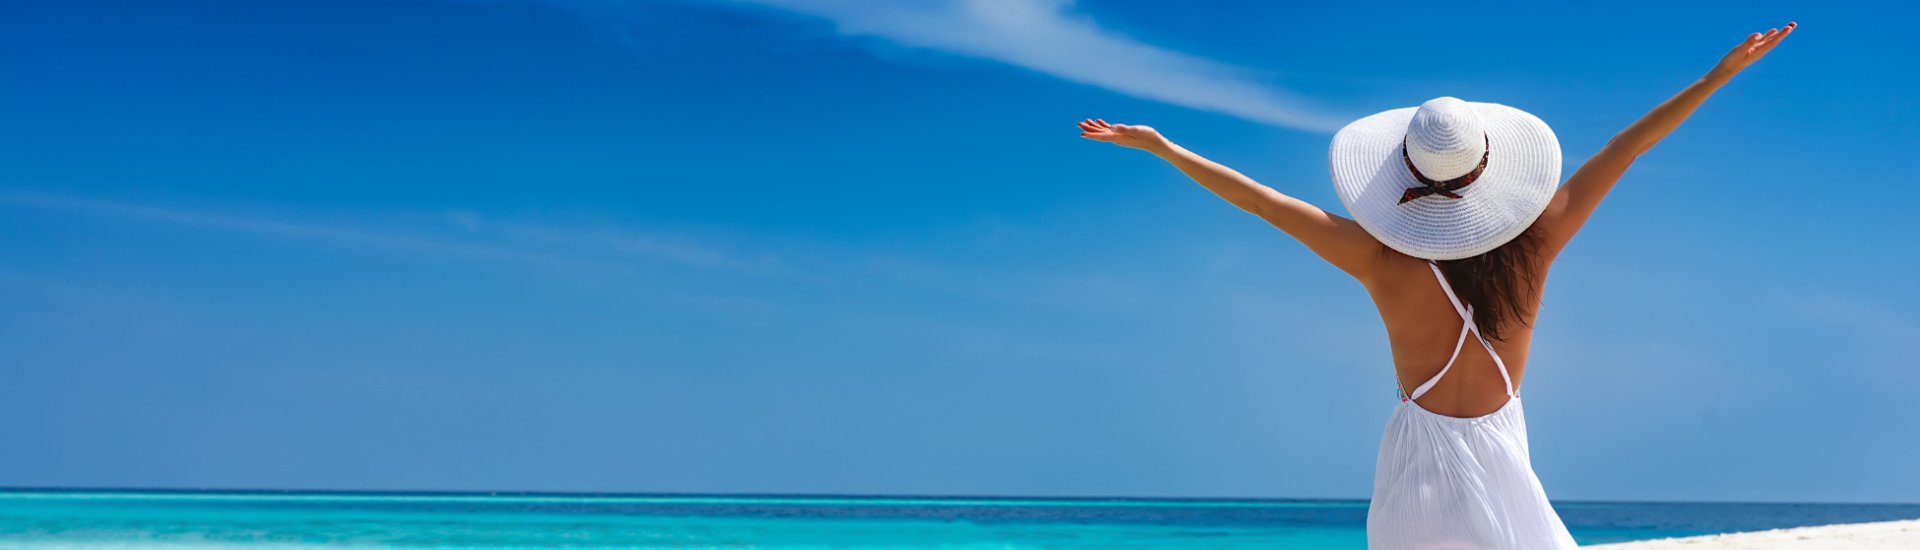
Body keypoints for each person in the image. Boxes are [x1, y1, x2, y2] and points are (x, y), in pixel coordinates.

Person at [1077, 23, 1795, 549]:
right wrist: (1715, 76)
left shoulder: (1377, 258)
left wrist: (1163, 148)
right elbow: (1625, 147)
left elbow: (1264, 202)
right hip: (1501, 458)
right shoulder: (1536, 245)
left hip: (1414, 470)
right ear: (1491, 169)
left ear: (1406, 174)